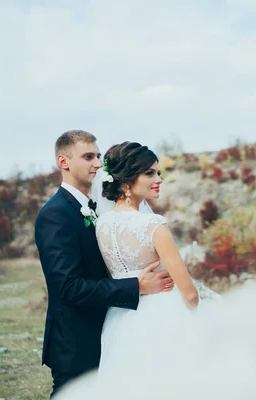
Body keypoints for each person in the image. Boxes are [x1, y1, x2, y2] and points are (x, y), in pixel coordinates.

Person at [34, 131, 175, 398]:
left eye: (98, 156)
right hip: (77, 341)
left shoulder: (100, 208)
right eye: (88, 156)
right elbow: (69, 287)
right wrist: (136, 286)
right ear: (63, 162)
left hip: (111, 331)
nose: (98, 163)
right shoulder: (55, 215)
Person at [90, 141, 200, 380]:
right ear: (127, 179)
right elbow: (190, 294)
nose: (158, 179)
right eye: (149, 173)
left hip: (119, 319)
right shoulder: (153, 225)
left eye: (158, 172)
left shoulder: (100, 224)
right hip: (162, 317)